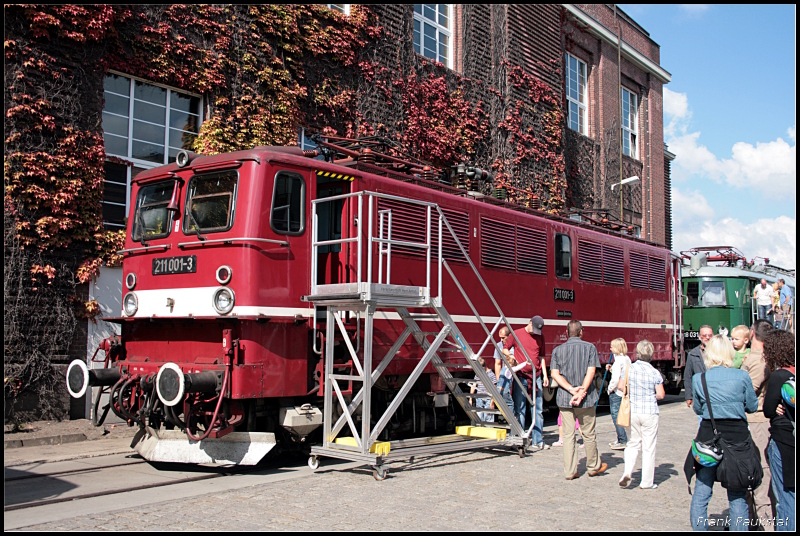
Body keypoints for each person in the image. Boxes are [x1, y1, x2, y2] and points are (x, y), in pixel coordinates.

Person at [689, 335, 758, 531]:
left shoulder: (699, 379)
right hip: (737, 437)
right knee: (737, 493)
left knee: (702, 491)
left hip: (709, 437)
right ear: (730, 352)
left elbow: (699, 410)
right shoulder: (742, 376)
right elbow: (752, 406)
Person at [550, 320, 607, 480]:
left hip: (565, 398)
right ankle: (593, 466)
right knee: (588, 433)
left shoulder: (557, 350)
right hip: (586, 399)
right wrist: (582, 391)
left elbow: (555, 374)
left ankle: (570, 471)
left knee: (568, 435)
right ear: (581, 332)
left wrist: (570, 389)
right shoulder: (590, 348)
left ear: (566, 333)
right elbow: (591, 371)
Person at [619, 340, 665, 490]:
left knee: (633, 443)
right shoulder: (654, 372)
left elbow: (620, 386)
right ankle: (646, 482)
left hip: (633, 411)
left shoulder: (629, 369)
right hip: (650, 412)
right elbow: (661, 394)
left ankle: (627, 472)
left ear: (637, 353)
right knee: (648, 447)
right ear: (651, 354)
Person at [740, 319, 773, 530]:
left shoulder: (758, 360)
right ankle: (752, 519)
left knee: (761, 471)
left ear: (752, 333)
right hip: (753, 420)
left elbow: (750, 392)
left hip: (757, 420)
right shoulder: (756, 357)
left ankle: (766, 522)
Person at [762, 330, 795, 532]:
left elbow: (767, 410)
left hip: (784, 440)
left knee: (785, 496)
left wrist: (775, 407)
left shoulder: (779, 376)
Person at [502, 315, 550, 450]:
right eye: (534, 329)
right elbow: (505, 348)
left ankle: (537, 441)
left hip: (536, 376)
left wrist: (546, 375)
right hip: (521, 376)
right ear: (529, 323)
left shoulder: (540, 337)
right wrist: (510, 355)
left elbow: (541, 357)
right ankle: (519, 440)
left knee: (538, 410)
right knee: (520, 408)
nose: (536, 333)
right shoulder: (517, 334)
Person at [606, 338, 631, 450]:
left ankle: (622, 439)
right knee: (621, 416)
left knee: (616, 416)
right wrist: (611, 369)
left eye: (612, 346)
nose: (610, 348)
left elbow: (615, 379)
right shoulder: (627, 359)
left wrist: (610, 389)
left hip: (616, 393)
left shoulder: (618, 361)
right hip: (624, 391)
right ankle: (621, 438)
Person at [685, 325, 713, 426]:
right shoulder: (693, 354)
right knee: (702, 422)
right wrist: (689, 396)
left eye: (709, 335)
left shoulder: (717, 352)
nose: (707, 337)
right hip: (700, 394)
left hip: (714, 392)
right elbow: (688, 376)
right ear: (699, 336)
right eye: (704, 335)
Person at [493, 327, 514, 417]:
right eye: (500, 338)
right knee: (505, 396)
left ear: (509, 336)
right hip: (505, 375)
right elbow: (497, 364)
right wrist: (499, 381)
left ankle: (513, 420)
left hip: (514, 375)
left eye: (503, 338)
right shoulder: (499, 346)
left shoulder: (515, 345)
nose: (501, 340)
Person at [470, 357, 497, 423]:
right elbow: (473, 386)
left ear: (484, 366)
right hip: (479, 398)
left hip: (488, 398)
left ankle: (488, 429)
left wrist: (492, 402)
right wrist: (470, 398)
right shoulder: (478, 374)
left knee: (488, 417)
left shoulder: (491, 375)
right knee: (479, 416)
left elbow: (494, 389)